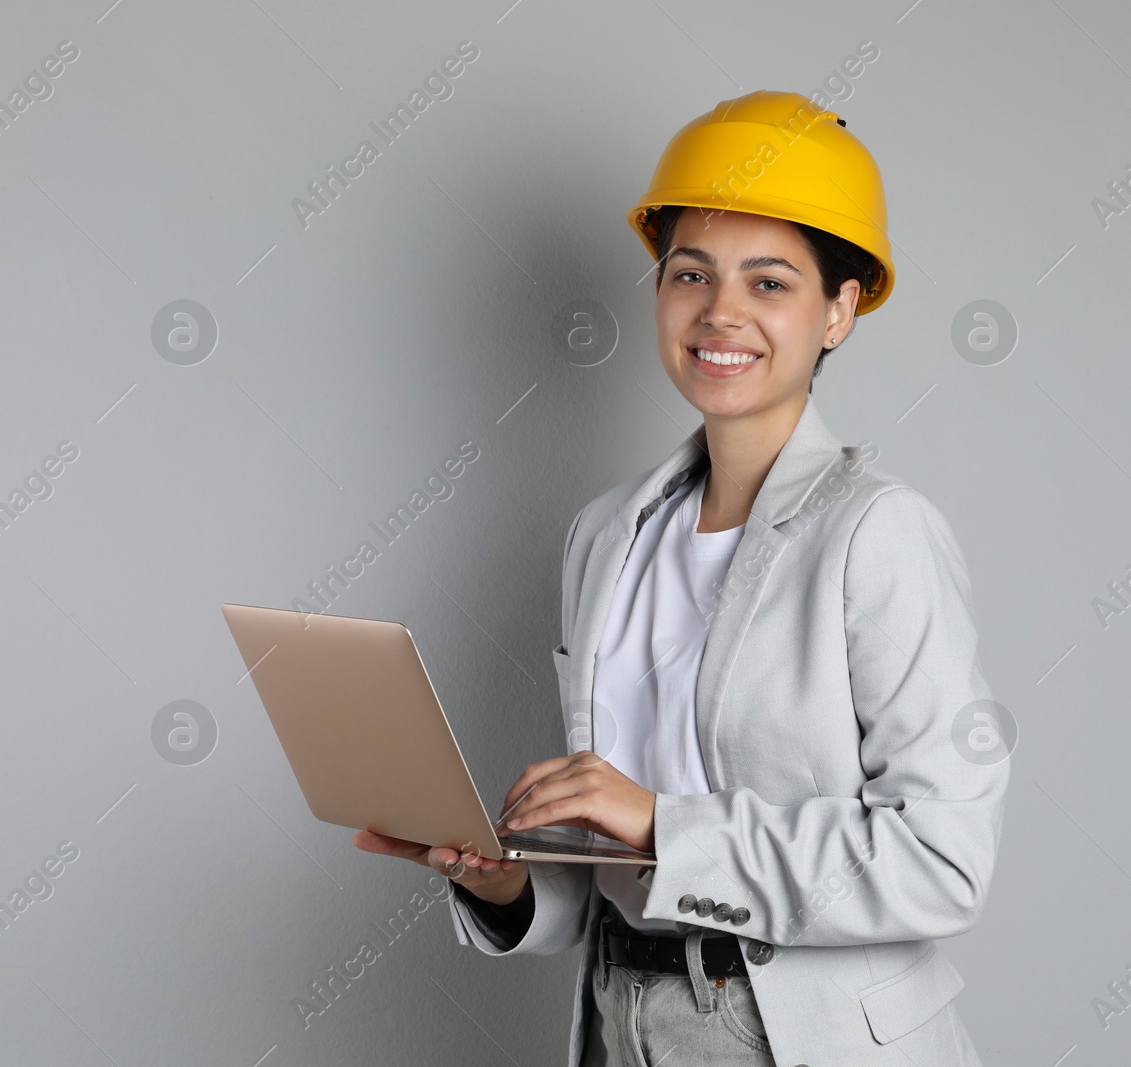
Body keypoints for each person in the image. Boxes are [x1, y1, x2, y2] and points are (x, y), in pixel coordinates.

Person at [354, 89, 1009, 1067]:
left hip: (801, 1035)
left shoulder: (877, 532)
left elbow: (941, 861)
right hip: (621, 1015)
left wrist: (661, 820)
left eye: (770, 282)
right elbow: (620, 860)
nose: (720, 313)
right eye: (690, 272)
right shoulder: (606, 536)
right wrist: (507, 883)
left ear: (838, 310)